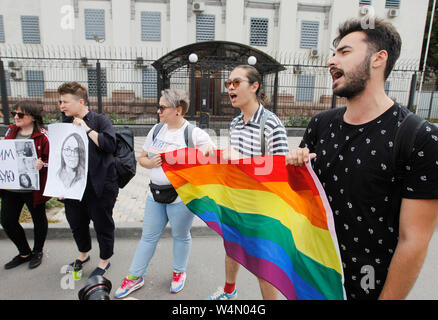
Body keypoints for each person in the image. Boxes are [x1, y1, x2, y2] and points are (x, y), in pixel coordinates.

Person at [287, 18, 438, 300]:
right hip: (313, 278)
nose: (331, 61)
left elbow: (414, 241)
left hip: (369, 289)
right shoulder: (320, 124)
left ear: (378, 59)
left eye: (344, 52)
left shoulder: (419, 136)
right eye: (333, 53)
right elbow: (300, 201)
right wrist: (295, 169)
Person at [114, 88, 215, 299]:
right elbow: (141, 158)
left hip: (181, 197)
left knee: (180, 235)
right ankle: (134, 277)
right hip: (155, 195)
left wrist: (199, 155)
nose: (158, 110)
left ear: (178, 110)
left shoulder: (192, 133)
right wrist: (149, 162)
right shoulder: (157, 130)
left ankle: (179, 272)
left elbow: (212, 154)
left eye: (162, 107)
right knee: (148, 237)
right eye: (158, 106)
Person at [206, 65, 289, 300]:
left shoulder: (271, 124)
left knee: (264, 269)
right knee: (232, 249)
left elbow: (280, 173)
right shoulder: (235, 123)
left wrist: (241, 159)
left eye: (236, 83)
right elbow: (236, 160)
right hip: (236, 200)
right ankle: (229, 291)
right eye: (228, 83)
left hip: (261, 207)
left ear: (254, 86)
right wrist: (219, 155)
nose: (230, 88)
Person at [57, 82, 119, 278]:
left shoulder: (100, 120)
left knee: (102, 224)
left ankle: (104, 260)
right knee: (76, 223)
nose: (61, 106)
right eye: (60, 102)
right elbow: (60, 156)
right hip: (74, 188)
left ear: (81, 101)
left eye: (65, 102)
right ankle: (83, 255)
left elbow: (110, 145)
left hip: (99, 186)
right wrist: (58, 184)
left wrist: (86, 129)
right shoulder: (64, 124)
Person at [1, 100, 50, 269]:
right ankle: (24, 252)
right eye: (14, 113)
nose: (16, 117)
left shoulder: (43, 135)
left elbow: (52, 160)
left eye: (20, 114)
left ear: (32, 116)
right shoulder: (11, 130)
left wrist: (42, 164)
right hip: (12, 186)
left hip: (33, 188)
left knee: (38, 219)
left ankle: (37, 251)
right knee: (7, 220)